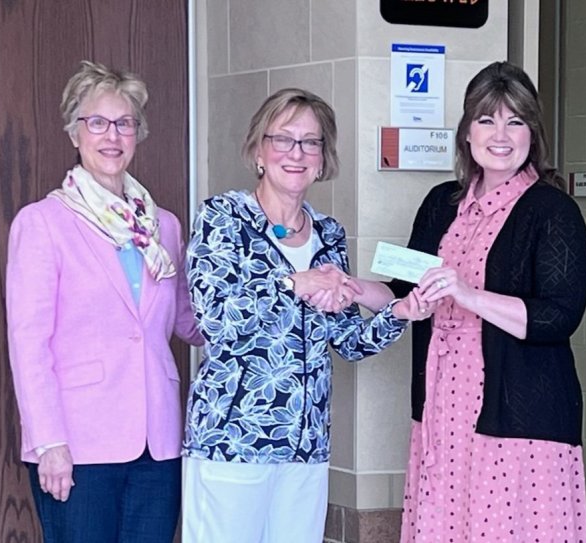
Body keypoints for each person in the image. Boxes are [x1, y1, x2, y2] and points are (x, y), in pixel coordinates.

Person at [181, 88, 428, 543]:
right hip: (234, 438)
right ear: (259, 150)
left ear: (322, 158)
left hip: (306, 441)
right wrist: (293, 283)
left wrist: (399, 312)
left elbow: (347, 340)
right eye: (283, 139)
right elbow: (217, 319)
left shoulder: (329, 234)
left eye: (310, 142)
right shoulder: (224, 218)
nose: (296, 153)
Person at [391, 61, 586, 542]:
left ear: (532, 134)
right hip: (443, 412)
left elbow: (558, 317)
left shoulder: (552, 210)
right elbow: (404, 288)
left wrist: (468, 294)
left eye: (515, 121)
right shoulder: (441, 202)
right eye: (486, 120)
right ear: (467, 132)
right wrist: (353, 288)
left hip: (520, 421)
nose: (500, 135)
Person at [5, 60, 203, 543]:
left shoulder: (164, 226)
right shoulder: (42, 222)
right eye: (97, 122)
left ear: (138, 134)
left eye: (124, 123)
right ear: (75, 132)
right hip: (78, 442)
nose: (112, 136)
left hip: (157, 442)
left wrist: (272, 291)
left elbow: (190, 322)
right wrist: (49, 442)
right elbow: (29, 345)